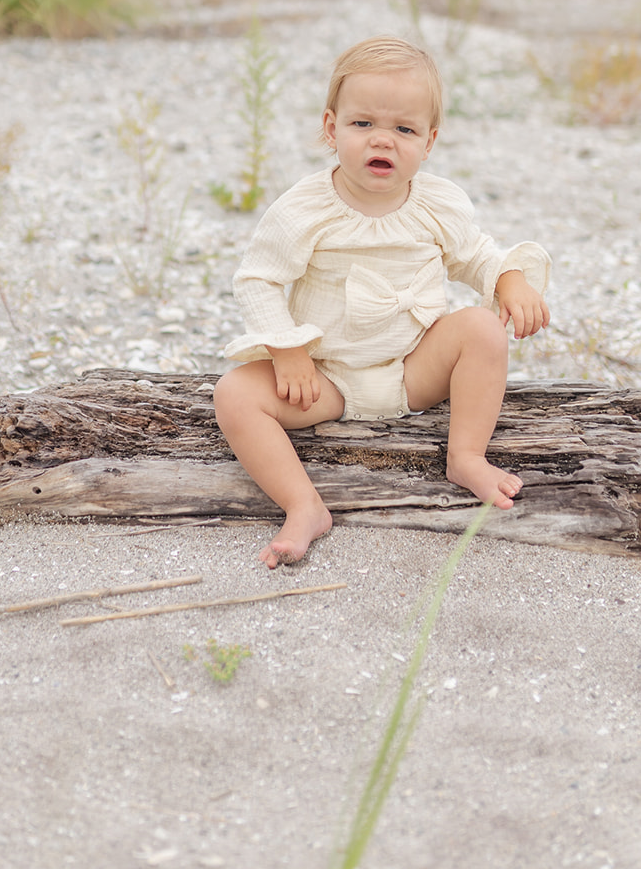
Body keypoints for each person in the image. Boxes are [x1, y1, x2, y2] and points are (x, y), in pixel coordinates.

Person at [214, 35, 551, 569]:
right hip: (324, 381)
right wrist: (287, 351)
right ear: (331, 128)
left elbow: (475, 256)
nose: (383, 141)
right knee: (234, 394)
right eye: (363, 124)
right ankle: (304, 505)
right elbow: (258, 280)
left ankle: (465, 456)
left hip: (415, 370)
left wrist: (509, 279)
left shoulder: (437, 203)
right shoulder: (305, 208)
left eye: (404, 129)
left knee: (483, 330)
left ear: (430, 141)